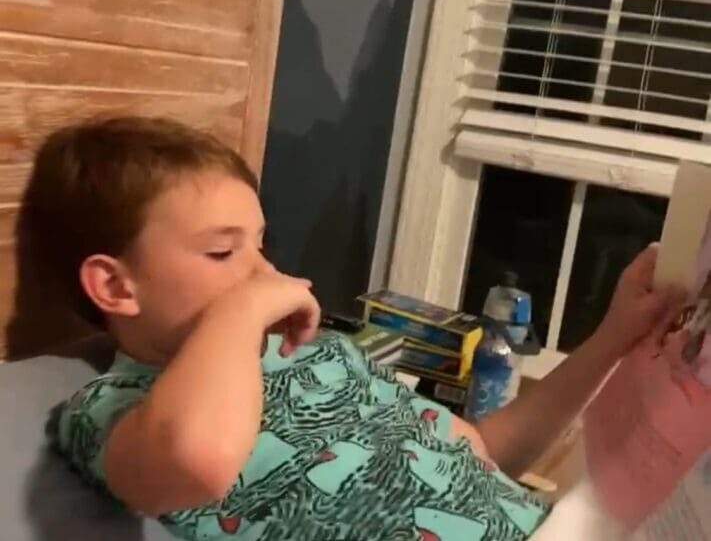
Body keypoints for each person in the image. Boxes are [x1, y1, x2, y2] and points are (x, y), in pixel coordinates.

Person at [27, 117, 683, 541]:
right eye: (222, 252)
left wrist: (613, 336)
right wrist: (240, 309)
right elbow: (194, 460)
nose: (264, 271)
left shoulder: (325, 354)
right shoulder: (109, 409)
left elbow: (478, 448)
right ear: (115, 286)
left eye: (262, 244)